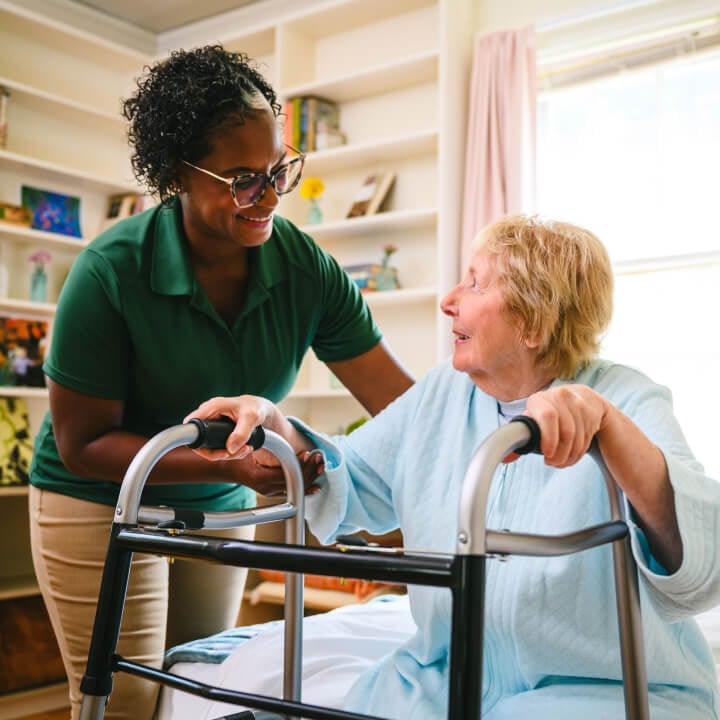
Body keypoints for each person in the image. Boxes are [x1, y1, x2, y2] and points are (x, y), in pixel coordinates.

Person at [189, 214, 720, 719]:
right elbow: (350, 474)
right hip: (442, 677)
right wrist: (273, 424)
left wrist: (609, 427)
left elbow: (699, 556)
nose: (448, 301)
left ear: (533, 321)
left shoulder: (626, 396)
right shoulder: (445, 391)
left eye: (474, 283)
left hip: (602, 689)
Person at [28, 45, 413, 720]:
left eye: (277, 172)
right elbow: (85, 443)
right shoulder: (109, 272)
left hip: (223, 496)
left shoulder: (304, 268)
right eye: (241, 179)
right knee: (125, 702)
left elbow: (401, 403)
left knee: (202, 691)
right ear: (178, 173)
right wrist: (238, 458)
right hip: (97, 498)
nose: (267, 197)